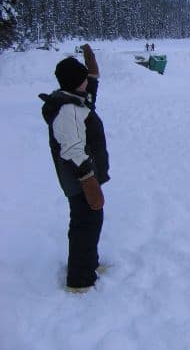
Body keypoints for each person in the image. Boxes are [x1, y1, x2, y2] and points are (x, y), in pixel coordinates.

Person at [39, 45, 109, 293]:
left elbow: (90, 94)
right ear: (73, 83)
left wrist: (91, 71)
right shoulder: (67, 111)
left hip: (86, 175)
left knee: (91, 222)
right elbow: (71, 149)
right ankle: (79, 280)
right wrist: (89, 179)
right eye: (82, 80)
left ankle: (89, 264)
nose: (86, 84)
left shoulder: (75, 99)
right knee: (84, 224)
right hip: (80, 179)